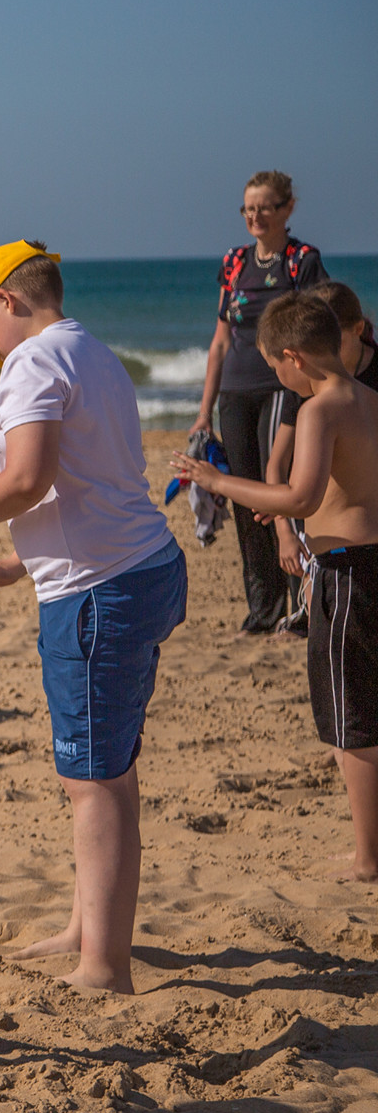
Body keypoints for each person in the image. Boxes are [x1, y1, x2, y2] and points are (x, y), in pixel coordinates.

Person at [0, 242, 186, 996]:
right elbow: (95, 483)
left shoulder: (35, 361)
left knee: (91, 781)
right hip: (138, 567)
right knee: (110, 768)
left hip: (98, 592)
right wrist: (21, 564)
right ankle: (90, 926)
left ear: (8, 302)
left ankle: (104, 965)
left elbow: (29, 475)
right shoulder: (95, 352)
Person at [175, 292, 378, 882]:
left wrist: (220, 481)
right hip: (368, 560)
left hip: (346, 573)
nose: (278, 379)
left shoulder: (319, 408)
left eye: (275, 368)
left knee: (350, 718)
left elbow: (299, 497)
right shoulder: (368, 396)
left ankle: (368, 858)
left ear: (293, 356)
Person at [193, 172, 329, 633]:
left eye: (265, 207)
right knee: (245, 498)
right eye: (248, 208)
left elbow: (318, 329)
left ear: (288, 209)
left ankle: (301, 603)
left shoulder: (302, 261)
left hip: (283, 392)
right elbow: (219, 343)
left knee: (282, 496)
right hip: (234, 393)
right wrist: (202, 413)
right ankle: (263, 608)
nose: (255, 216)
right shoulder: (234, 262)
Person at [264, 282, 378, 626]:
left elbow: (301, 499)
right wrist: (285, 532)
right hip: (333, 556)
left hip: (347, 562)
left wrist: (218, 481)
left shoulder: (321, 399)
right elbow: (277, 464)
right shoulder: (308, 389)